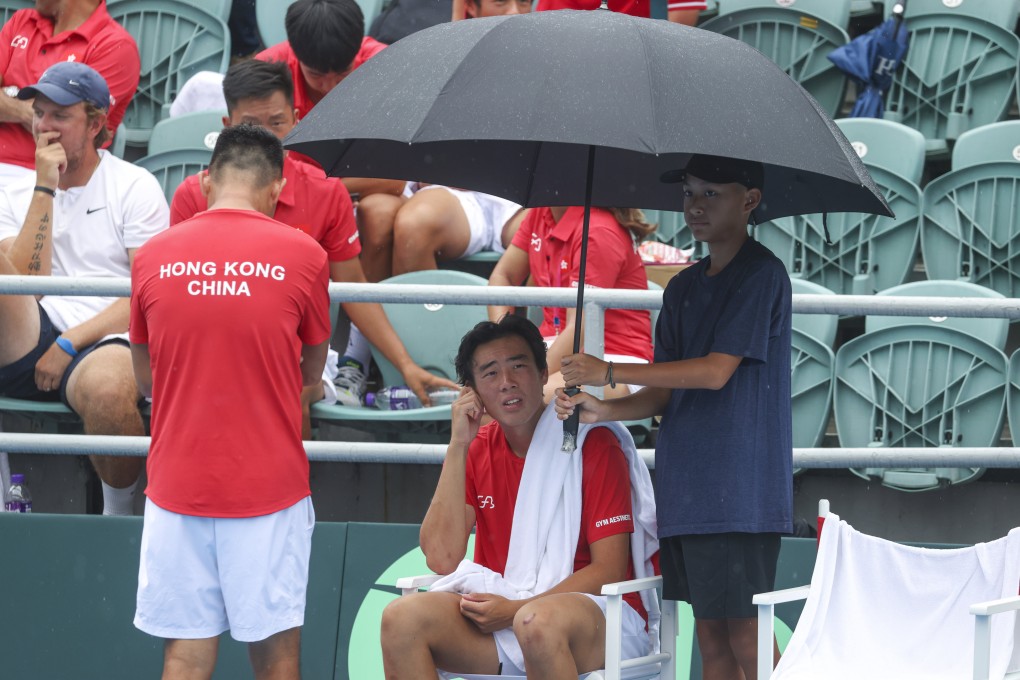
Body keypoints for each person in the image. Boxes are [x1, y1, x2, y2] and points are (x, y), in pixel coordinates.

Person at [555, 154, 793, 680]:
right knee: (709, 636)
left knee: (745, 634)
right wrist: (603, 409)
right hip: (687, 488)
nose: (694, 205)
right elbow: (665, 394)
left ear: (749, 201)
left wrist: (608, 368)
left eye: (711, 193)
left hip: (740, 490)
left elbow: (713, 373)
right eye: (689, 193)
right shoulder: (682, 287)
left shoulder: (763, 274)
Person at [130, 124, 331, 680]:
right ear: (276, 189)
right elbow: (311, 373)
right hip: (269, 486)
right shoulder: (306, 255)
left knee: (184, 657)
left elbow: (144, 378)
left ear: (203, 180)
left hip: (176, 484)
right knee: (276, 660)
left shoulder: (152, 256)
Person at [380, 315, 658, 678]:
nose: (508, 383)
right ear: (472, 391)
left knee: (536, 622)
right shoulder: (475, 448)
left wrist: (516, 609)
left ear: (544, 373)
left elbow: (607, 570)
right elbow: (441, 557)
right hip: (506, 617)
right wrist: (458, 443)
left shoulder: (593, 441)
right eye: (490, 373)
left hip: (604, 617)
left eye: (519, 366)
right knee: (401, 620)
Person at [170, 59, 456, 412]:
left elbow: (353, 288)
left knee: (291, 388)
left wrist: (405, 364)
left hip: (293, 349)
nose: (265, 139)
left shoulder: (325, 193)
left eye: (277, 123)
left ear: (296, 119)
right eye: (249, 126)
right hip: (212, 343)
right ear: (227, 126)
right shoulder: (191, 194)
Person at [0, 62, 168, 516]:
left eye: (60, 116)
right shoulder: (17, 189)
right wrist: (44, 189)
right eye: (39, 113)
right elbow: (24, 286)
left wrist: (74, 340)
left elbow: (147, 292)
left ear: (96, 125)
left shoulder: (135, 186)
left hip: (105, 334)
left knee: (110, 395)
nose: (44, 127)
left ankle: (118, 517)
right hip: (26, 331)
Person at [488, 206, 655, 401]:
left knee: (504, 400)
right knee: (481, 400)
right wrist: (502, 342)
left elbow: (580, 329)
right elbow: (503, 276)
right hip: (557, 349)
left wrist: (526, 376)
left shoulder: (598, 230)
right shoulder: (540, 213)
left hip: (614, 362)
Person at [256, 0, 403, 199]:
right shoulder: (266, 75)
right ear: (296, 54)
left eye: (343, 74)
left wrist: (319, 187)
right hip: (290, 195)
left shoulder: (387, 66)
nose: (330, 88)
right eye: (316, 76)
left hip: (361, 193)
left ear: (357, 47)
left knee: (379, 211)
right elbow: (257, 166)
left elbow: (394, 179)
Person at [0, 0, 140, 184]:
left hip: (52, 178)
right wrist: (32, 109)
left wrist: (9, 97)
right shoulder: (22, 20)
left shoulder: (115, 44)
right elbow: (58, 119)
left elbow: (73, 131)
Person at [356, 183, 525, 283]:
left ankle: (541, 336)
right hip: (427, 188)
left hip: (513, 191)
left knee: (546, 232)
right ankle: (367, 336)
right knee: (392, 218)